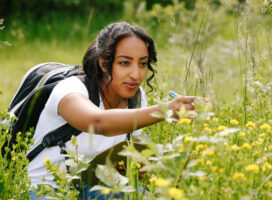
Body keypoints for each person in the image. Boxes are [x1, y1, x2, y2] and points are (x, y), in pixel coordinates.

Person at [27, 21, 196, 199]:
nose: (136, 74)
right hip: (43, 187)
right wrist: (165, 110)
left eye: (143, 64)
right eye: (124, 63)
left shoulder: (136, 98)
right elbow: (97, 122)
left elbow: (120, 152)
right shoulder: (70, 90)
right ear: (104, 63)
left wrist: (135, 167)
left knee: (136, 195)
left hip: (89, 184)